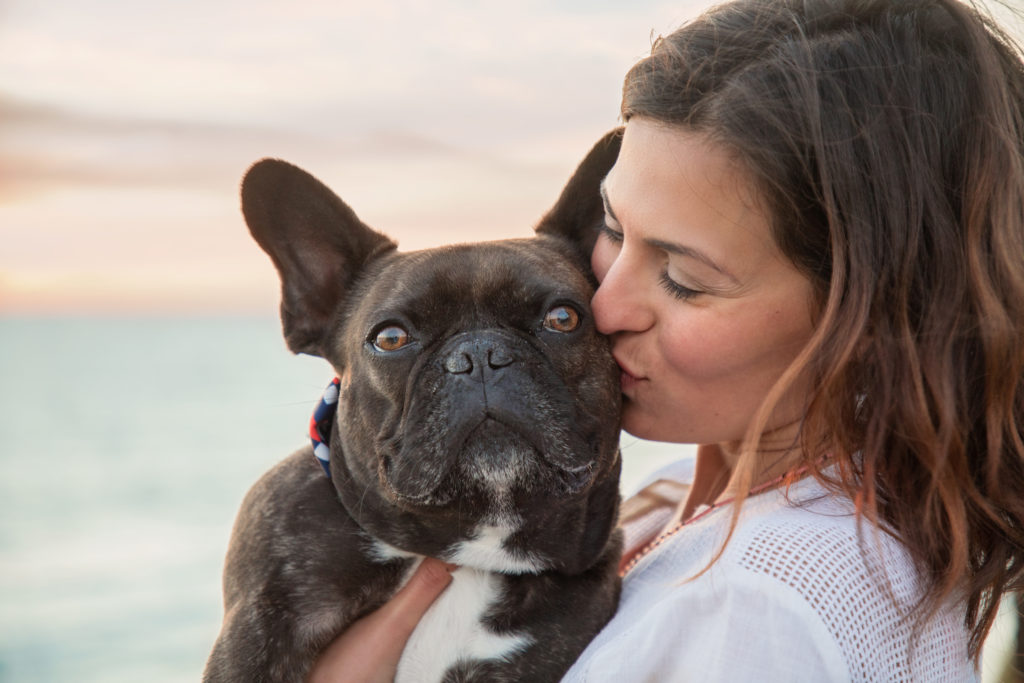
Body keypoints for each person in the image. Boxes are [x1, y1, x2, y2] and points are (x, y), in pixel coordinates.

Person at [309, 0, 1024, 679]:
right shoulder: (694, 491)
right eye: (613, 230)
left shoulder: (753, 611)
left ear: (869, 324)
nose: (607, 303)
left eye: (683, 278)